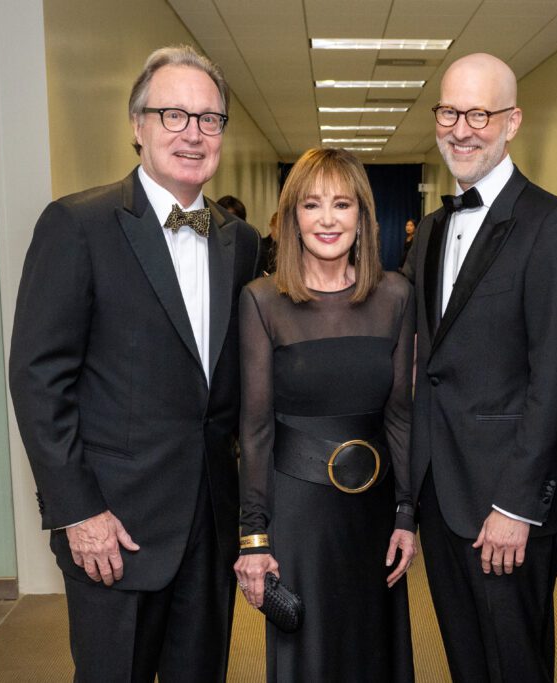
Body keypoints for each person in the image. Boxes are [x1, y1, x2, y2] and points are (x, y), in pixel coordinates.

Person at [8, 45, 261, 681]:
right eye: (172, 115)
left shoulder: (242, 243)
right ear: (137, 125)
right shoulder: (78, 224)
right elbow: (38, 379)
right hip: (113, 529)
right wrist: (77, 512)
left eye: (209, 119)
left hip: (208, 524)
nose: (192, 133)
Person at [402, 53, 557, 682]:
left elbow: (555, 375)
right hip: (441, 489)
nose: (461, 128)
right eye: (450, 112)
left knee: (516, 666)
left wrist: (517, 506)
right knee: (465, 662)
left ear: (512, 122)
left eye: (479, 114)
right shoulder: (430, 229)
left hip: (505, 505)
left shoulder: (555, 224)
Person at [233, 147, 416, 682]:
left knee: (373, 650)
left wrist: (406, 513)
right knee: (308, 655)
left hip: (374, 515)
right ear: (292, 218)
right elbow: (256, 428)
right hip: (298, 513)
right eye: (312, 205)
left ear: (363, 216)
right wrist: (254, 537)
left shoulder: (396, 296)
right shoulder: (263, 301)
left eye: (342, 204)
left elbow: (401, 416)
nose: (328, 219)